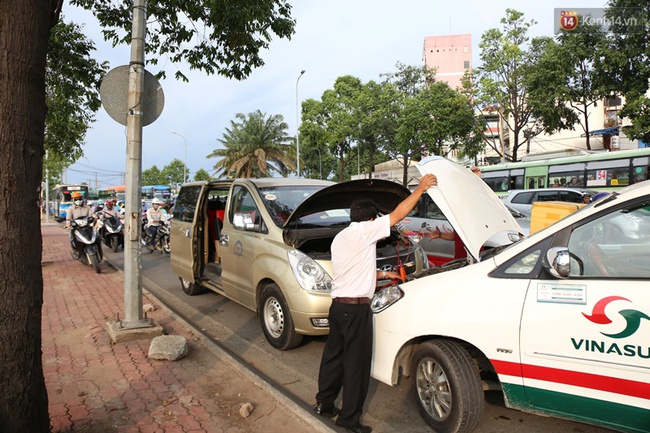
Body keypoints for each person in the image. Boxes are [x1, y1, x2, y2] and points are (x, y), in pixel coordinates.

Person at [314, 173, 438, 433]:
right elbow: (398, 214)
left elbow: (352, 270)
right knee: (356, 365)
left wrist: (383, 275)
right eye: (376, 219)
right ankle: (349, 420)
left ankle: (324, 404)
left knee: (333, 358)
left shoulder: (342, 237)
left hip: (338, 307)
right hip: (355, 310)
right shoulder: (365, 230)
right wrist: (420, 189)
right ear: (371, 218)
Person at [66, 191, 95, 260]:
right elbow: (68, 218)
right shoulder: (71, 209)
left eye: (79, 199)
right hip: (77, 227)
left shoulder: (87, 207)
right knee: (72, 237)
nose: (78, 201)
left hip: (87, 226)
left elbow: (92, 214)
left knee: (95, 234)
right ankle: (76, 251)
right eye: (76, 199)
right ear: (73, 200)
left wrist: (94, 216)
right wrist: (68, 224)